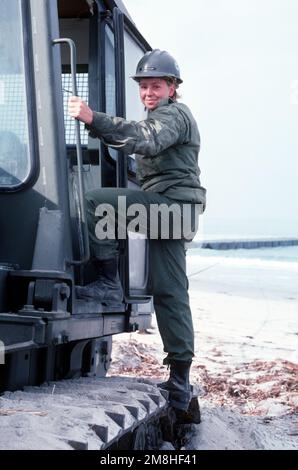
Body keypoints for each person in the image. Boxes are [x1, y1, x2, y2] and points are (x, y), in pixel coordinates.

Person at [68, 49, 206, 412]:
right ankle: (179, 380)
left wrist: (91, 117)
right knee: (170, 292)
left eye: (156, 86)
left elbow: (145, 139)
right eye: (144, 86)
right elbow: (136, 139)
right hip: (173, 213)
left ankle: (110, 283)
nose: (148, 93)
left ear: (172, 88)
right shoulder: (162, 114)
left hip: (171, 207)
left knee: (98, 201)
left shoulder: (173, 114)